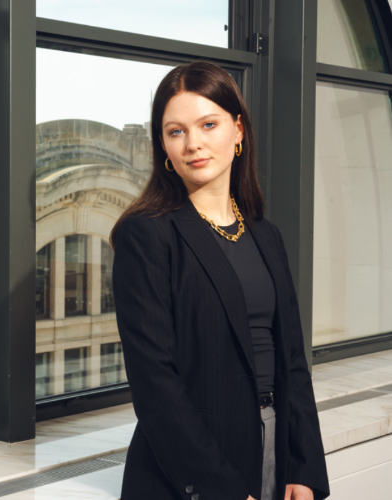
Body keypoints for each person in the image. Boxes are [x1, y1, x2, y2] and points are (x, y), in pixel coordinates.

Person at [110, 61, 329, 500]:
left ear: (238, 130)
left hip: (274, 453)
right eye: (176, 131)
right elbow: (155, 384)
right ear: (163, 147)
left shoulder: (266, 235)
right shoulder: (147, 234)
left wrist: (304, 466)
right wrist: (222, 491)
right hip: (192, 472)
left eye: (208, 124)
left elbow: (291, 360)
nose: (193, 144)